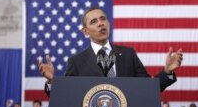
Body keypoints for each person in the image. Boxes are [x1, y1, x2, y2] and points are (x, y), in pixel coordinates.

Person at [37, 7, 183, 96]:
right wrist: (52, 82)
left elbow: (147, 89)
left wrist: (167, 72)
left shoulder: (128, 54)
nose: (100, 23)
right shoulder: (76, 61)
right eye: (94, 21)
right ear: (85, 31)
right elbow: (66, 96)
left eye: (103, 19)